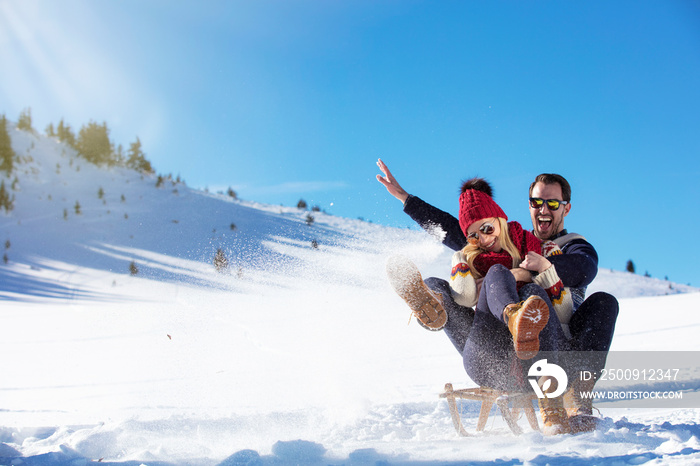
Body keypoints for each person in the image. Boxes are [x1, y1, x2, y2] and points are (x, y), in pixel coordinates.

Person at [377, 159, 619, 434]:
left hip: (552, 352)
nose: (543, 209)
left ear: (566, 208)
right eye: (536, 202)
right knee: (442, 285)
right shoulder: (505, 239)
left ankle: (576, 395)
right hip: (494, 355)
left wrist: (530, 272)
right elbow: (457, 228)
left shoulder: (571, 246)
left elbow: (584, 268)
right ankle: (430, 306)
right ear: (529, 205)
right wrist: (405, 199)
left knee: (602, 301)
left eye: (552, 204)